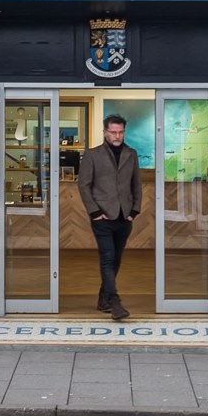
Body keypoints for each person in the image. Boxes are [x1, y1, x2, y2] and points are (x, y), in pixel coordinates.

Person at [75, 113, 140, 320]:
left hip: (124, 218)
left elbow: (136, 184)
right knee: (108, 259)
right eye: (113, 132)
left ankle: (103, 298)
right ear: (105, 132)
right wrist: (94, 212)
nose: (117, 136)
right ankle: (114, 301)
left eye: (120, 132)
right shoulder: (92, 155)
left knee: (116, 260)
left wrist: (134, 211)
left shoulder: (132, 154)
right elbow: (84, 185)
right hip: (102, 217)